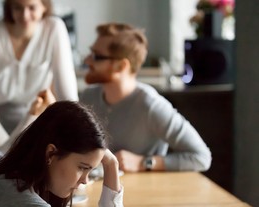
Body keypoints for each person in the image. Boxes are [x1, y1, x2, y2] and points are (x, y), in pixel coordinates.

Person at [79, 23, 212, 172]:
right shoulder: (87, 97)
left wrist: (144, 162)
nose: (87, 61)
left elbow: (201, 158)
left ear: (121, 66)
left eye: (96, 56)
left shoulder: (151, 106)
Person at [0, 0, 78, 133]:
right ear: (9, 8)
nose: (25, 15)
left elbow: (66, 86)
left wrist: (77, 122)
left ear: (44, 7)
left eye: (32, 8)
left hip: (36, 116)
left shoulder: (54, 28)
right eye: (18, 8)